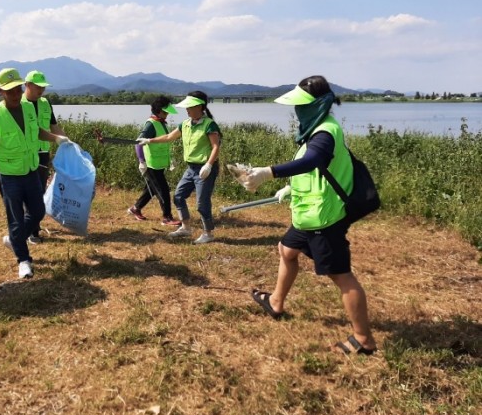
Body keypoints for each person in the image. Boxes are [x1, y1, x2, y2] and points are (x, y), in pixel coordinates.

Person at [242, 75, 377, 356]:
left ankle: (363, 339)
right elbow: (315, 170)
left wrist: (269, 172)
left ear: (317, 105)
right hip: (308, 214)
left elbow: (313, 160)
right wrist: (291, 187)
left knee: (341, 276)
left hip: (324, 218)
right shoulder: (315, 130)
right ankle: (276, 302)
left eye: (302, 106)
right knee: (287, 249)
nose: (297, 111)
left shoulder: (326, 132)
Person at [0, 68, 70, 279]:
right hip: (9, 176)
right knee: (15, 219)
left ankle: (14, 240)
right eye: (10, 91)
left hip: (31, 170)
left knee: (38, 211)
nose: (15, 94)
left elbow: (37, 131)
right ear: (0, 91)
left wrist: (56, 138)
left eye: (17, 89)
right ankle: (24, 260)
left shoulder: (28, 108)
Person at [138, 90, 221, 244]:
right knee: (178, 196)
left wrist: (209, 165)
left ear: (199, 107)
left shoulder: (209, 124)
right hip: (191, 168)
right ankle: (186, 227)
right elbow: (169, 137)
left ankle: (208, 233)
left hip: (205, 169)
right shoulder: (185, 124)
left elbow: (216, 146)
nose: (187, 110)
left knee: (202, 203)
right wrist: (149, 141)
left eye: (189, 107)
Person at [21, 70, 66, 244]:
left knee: (40, 191)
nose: (42, 90)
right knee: (31, 193)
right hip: (26, 154)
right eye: (38, 87)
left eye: (44, 87)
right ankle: (33, 231)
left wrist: (67, 141)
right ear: (28, 85)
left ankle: (32, 225)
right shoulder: (20, 104)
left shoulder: (46, 103)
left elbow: (54, 126)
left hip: (43, 154)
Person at [127, 96, 182, 226]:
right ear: (158, 111)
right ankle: (167, 217)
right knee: (163, 190)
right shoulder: (151, 124)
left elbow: (164, 141)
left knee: (151, 189)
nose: (167, 114)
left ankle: (135, 208)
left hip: (159, 164)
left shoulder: (161, 122)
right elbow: (138, 142)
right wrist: (142, 161)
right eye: (165, 111)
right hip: (151, 165)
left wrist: (171, 158)